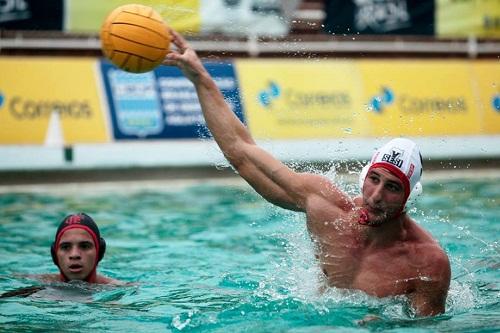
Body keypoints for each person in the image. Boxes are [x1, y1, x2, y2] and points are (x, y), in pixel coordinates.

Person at [163, 29, 451, 317]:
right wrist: (200, 78)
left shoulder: (427, 262)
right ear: (364, 176)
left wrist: (389, 326)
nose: (376, 196)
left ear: (408, 196)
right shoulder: (326, 208)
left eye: (392, 187)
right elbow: (241, 153)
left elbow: (427, 327)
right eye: (373, 179)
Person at [38, 212, 122, 285]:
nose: (74, 254)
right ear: (55, 255)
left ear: (99, 252)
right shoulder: (35, 284)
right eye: (65, 247)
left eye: (84, 246)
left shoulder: (119, 290)